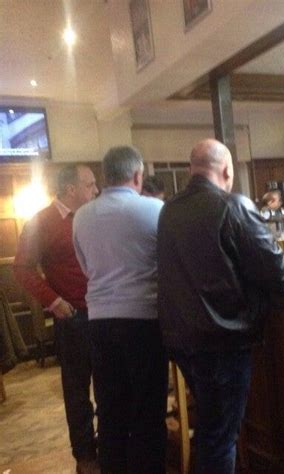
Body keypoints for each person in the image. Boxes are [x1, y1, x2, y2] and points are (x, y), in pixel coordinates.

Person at [156, 138, 284, 474]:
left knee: (211, 430)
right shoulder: (232, 206)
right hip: (221, 340)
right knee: (219, 437)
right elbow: (280, 274)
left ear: (191, 169)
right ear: (226, 170)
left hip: (181, 339)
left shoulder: (169, 210)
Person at [72, 146, 168, 474]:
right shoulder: (154, 209)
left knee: (110, 412)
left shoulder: (82, 216)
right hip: (143, 319)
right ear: (137, 175)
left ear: (105, 176)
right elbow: (167, 263)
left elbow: (85, 267)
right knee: (147, 412)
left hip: (99, 319)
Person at [14, 164, 99, 474]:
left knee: (110, 387)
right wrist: (53, 301)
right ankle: (85, 458)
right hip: (73, 316)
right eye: (90, 185)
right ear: (70, 189)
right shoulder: (41, 222)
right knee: (77, 393)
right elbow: (21, 268)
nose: (96, 190)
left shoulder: (93, 216)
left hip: (104, 313)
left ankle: (108, 448)